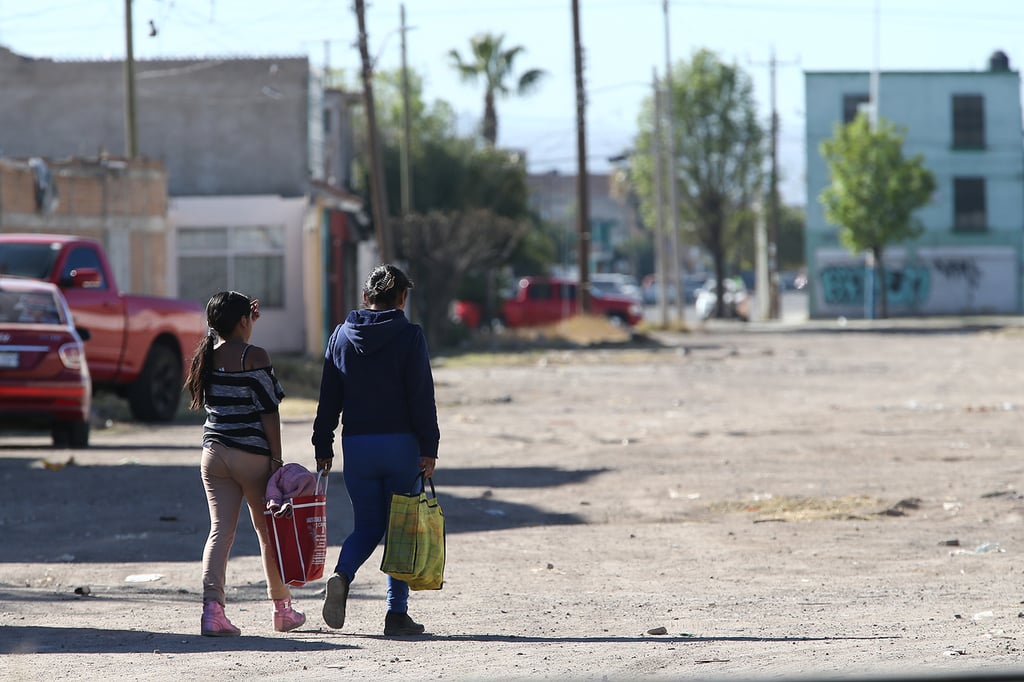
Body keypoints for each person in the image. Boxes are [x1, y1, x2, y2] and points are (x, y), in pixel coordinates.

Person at [313, 264, 440, 637]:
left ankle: (342, 575)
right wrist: (429, 445)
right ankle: (395, 614)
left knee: (368, 525)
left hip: (358, 447)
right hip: (401, 445)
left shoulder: (340, 336)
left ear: (366, 298)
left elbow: (327, 399)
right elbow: (421, 397)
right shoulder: (410, 336)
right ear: (402, 298)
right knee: (401, 527)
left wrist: (323, 444)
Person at [184, 290, 306, 637]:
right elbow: (270, 410)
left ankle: (212, 611)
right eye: (248, 318)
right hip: (250, 454)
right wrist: (276, 459)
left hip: (213, 454)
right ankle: (282, 610)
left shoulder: (205, 356)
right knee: (267, 533)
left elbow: (231, 345)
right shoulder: (256, 356)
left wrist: (243, 321)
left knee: (220, 531)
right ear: (242, 321)